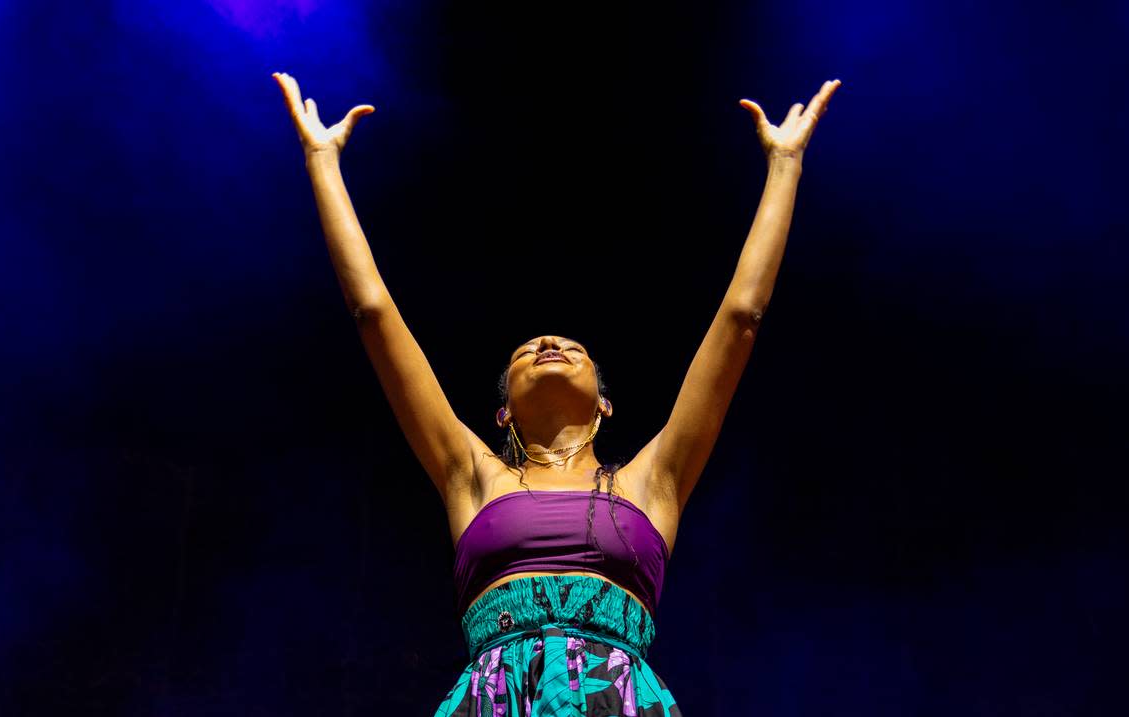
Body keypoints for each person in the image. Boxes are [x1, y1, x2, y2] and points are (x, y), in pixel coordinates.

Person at [272, 70, 841, 716]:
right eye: (526, 349)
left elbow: (742, 317)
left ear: (604, 402)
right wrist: (322, 162)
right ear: (503, 410)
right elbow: (373, 312)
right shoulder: (471, 474)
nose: (548, 342)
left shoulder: (653, 479)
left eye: (574, 348)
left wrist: (785, 165)